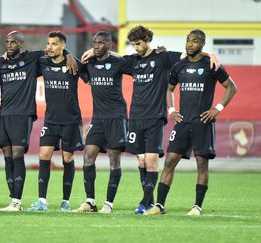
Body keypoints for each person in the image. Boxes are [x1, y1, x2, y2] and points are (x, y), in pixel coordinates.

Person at [82, 25, 219, 214]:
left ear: (147, 39)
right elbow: (114, 56)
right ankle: (149, 202)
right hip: (136, 117)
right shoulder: (132, 61)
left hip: (155, 117)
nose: (136, 48)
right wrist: (93, 50)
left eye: (138, 44)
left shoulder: (163, 57)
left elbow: (189, 54)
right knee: (141, 162)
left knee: (151, 162)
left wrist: (209, 53)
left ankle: (145, 202)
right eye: (133, 45)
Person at [0, 31, 78, 212]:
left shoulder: (32, 58)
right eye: (7, 42)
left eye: (13, 42)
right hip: (4, 115)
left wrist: (70, 55)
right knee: (7, 156)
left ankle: (17, 201)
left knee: (17, 155)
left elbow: (53, 50)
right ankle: (13, 199)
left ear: (21, 44)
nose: (9, 45)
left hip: (23, 114)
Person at [144, 29, 237, 216]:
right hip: (183, 123)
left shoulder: (211, 64)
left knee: (202, 164)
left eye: (195, 41)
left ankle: (197, 206)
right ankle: (159, 205)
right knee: (170, 161)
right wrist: (171, 110)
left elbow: (231, 87)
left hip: (203, 122)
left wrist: (217, 109)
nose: (190, 44)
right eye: (188, 40)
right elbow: (168, 89)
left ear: (202, 44)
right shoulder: (179, 66)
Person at [73, 31, 132, 213]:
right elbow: (75, 63)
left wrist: (114, 54)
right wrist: (70, 55)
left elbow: (136, 62)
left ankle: (109, 203)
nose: (96, 46)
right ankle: (90, 202)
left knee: (114, 160)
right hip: (97, 119)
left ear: (109, 45)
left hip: (117, 117)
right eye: (94, 43)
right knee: (88, 156)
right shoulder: (89, 65)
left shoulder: (118, 63)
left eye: (100, 43)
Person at [26, 31, 84, 212]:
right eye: (48, 43)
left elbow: (91, 77)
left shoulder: (74, 65)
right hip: (50, 120)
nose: (50, 47)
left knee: (68, 158)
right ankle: (42, 201)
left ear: (63, 46)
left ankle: (65, 201)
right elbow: (27, 59)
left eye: (54, 44)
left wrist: (71, 57)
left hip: (71, 120)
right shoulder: (43, 63)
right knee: (44, 156)